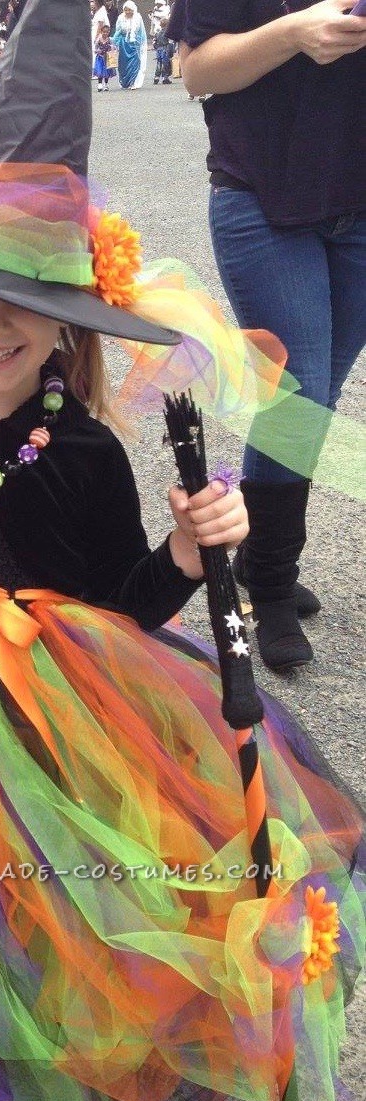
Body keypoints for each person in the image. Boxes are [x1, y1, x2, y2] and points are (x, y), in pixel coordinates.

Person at [0, 3, 363, 1101]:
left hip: (62, 730)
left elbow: (120, 605)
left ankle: (59, 1002)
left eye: (22, 308)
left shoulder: (86, 451)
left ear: (66, 329)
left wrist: (189, 556)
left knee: (50, 884)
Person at [173, 0, 366, 672]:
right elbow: (195, 70)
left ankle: (258, 556)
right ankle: (273, 583)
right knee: (298, 393)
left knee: (318, 393)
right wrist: (293, 32)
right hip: (262, 197)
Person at [114, 0, 147, 88]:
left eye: (130, 10)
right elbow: (118, 31)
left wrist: (138, 42)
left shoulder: (138, 18)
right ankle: (125, 82)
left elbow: (141, 33)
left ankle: (133, 82)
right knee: (123, 64)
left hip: (134, 44)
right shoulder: (121, 18)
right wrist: (115, 42)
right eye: (126, 10)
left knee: (134, 64)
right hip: (123, 44)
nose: (128, 12)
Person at [93, 23, 115, 91]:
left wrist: (112, 48)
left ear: (109, 32)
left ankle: (106, 84)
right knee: (100, 71)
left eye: (107, 32)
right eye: (104, 32)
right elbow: (95, 48)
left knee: (107, 71)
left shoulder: (110, 39)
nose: (105, 33)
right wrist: (97, 51)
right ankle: (99, 84)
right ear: (101, 32)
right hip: (100, 57)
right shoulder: (99, 40)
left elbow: (114, 47)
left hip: (108, 58)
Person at [153, 15, 174, 83]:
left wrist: (156, 47)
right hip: (165, 49)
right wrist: (172, 51)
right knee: (165, 64)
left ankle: (156, 77)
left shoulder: (157, 33)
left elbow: (154, 42)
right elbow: (170, 42)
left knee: (159, 63)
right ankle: (165, 78)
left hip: (159, 49)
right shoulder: (168, 33)